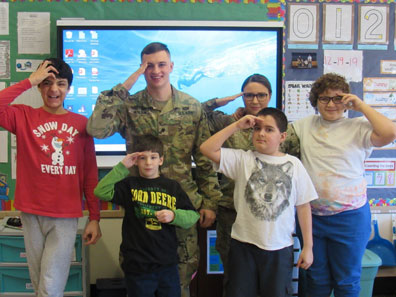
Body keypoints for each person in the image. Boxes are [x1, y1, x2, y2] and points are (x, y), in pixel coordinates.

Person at [86, 42, 222, 297]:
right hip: (142, 213)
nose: (156, 70)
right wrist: (124, 87)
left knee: (179, 283)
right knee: (140, 285)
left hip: (181, 208)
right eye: (148, 66)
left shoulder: (192, 107)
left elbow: (203, 160)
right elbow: (96, 129)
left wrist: (211, 202)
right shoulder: (130, 107)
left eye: (161, 64)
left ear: (171, 66)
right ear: (141, 69)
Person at [283, 73, 396, 297]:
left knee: (347, 281)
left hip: (350, 217)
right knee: (316, 280)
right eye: (324, 98)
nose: (331, 104)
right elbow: (275, 134)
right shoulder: (305, 125)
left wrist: (362, 106)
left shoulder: (359, 126)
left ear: (347, 101)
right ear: (315, 101)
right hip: (312, 217)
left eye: (338, 98)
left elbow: (390, 133)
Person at [0, 58, 101, 297]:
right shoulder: (23, 116)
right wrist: (28, 80)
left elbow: (90, 173)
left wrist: (95, 217)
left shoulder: (81, 124)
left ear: (69, 88)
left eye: (61, 83)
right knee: (40, 283)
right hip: (31, 211)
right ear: (39, 86)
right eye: (46, 83)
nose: (54, 89)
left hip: (64, 215)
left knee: (50, 284)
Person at [200, 107, 318, 297]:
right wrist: (237, 126)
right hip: (243, 246)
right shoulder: (243, 159)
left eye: (269, 129)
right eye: (257, 128)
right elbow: (206, 148)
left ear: (283, 136)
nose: (261, 133)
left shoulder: (294, 165)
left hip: (279, 248)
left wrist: (308, 247)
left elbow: (303, 206)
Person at [94, 135, 200, 297]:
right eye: (142, 158)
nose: (148, 163)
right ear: (135, 160)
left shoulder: (172, 187)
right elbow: (100, 191)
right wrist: (122, 166)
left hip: (167, 264)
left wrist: (174, 215)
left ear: (161, 160)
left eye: (153, 157)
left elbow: (192, 216)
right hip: (137, 265)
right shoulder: (129, 185)